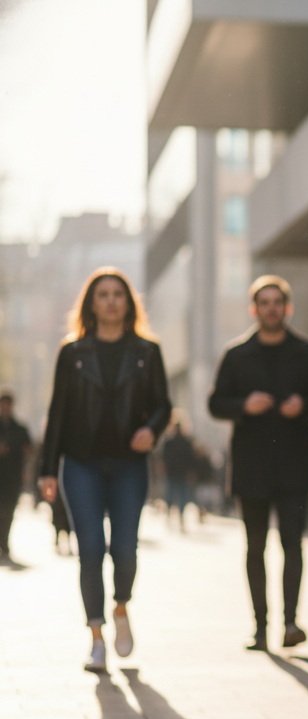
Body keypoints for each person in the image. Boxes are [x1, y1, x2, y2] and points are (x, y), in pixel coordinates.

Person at [37, 267, 172, 672]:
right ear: (91, 304)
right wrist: (47, 469)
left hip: (130, 465)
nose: (111, 301)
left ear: (129, 303)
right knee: (91, 549)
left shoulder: (147, 352)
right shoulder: (72, 353)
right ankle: (96, 638)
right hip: (82, 464)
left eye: (118, 294)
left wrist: (151, 430)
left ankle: (121, 607)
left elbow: (163, 405)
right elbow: (57, 413)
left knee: (125, 550)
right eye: (103, 294)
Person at [208, 275, 308, 652]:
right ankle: (260, 629)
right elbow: (215, 403)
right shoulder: (236, 354)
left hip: (294, 465)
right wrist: (243, 406)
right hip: (250, 467)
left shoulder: (307, 352)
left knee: (292, 544)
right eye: (264, 303)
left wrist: (304, 407)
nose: (271, 309)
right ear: (254, 309)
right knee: (255, 548)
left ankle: (291, 623)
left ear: (287, 307)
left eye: (276, 302)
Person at [0, 390, 33, 565]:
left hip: (12, 477)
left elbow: (29, 451)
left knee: (8, 511)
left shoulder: (20, 429)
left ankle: (4, 544)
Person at [160, 413, 196, 531]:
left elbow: (190, 458)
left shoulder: (182, 442)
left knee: (178, 497)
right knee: (173, 496)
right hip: (174, 473)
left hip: (179, 473)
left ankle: (178, 517)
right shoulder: (171, 442)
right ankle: (172, 517)